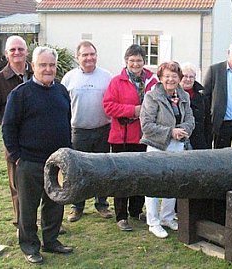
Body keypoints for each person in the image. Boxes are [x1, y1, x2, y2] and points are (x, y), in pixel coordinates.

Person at [2, 46, 73, 264]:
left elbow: (67, 121)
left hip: (57, 163)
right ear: (33, 67)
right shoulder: (20, 94)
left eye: (51, 65)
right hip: (29, 162)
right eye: (43, 65)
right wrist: (17, 156)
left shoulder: (61, 91)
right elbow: (8, 127)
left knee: (55, 204)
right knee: (28, 208)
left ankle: (51, 241)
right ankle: (30, 246)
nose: (48, 69)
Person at [103, 44, 158, 231]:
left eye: (139, 60)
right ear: (126, 61)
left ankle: (136, 210)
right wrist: (133, 110)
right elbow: (108, 106)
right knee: (122, 177)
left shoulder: (152, 81)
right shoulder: (116, 82)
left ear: (144, 61)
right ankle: (121, 215)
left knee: (142, 175)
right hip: (122, 137)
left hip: (144, 137)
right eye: (132, 60)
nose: (135, 63)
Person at [0, 36, 34, 231]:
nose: (17, 53)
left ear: (27, 51)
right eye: (12, 50)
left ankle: (46, 221)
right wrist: (9, 125)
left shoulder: (37, 72)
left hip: (39, 138)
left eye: (20, 49)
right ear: (6, 54)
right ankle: (21, 223)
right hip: (15, 142)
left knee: (42, 181)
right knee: (18, 185)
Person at [140, 61, 195, 238]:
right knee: (154, 184)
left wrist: (184, 131)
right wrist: (170, 132)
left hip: (178, 145)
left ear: (179, 78)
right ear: (160, 78)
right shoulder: (152, 96)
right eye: (167, 76)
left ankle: (167, 217)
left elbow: (190, 119)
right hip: (157, 146)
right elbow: (147, 126)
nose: (171, 79)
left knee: (173, 182)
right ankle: (153, 222)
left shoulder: (184, 96)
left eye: (174, 76)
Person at [61, 40, 113, 222]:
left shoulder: (107, 77)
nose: (89, 58)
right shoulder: (68, 78)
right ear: (78, 58)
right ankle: (77, 206)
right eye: (85, 55)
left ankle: (102, 204)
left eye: (92, 54)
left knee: (102, 169)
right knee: (78, 170)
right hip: (79, 131)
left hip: (103, 130)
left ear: (96, 56)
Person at [180, 62, 210, 149]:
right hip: (180, 141)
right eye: (185, 76)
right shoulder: (173, 95)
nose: (188, 79)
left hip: (199, 142)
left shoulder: (202, 97)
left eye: (191, 77)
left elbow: (208, 123)